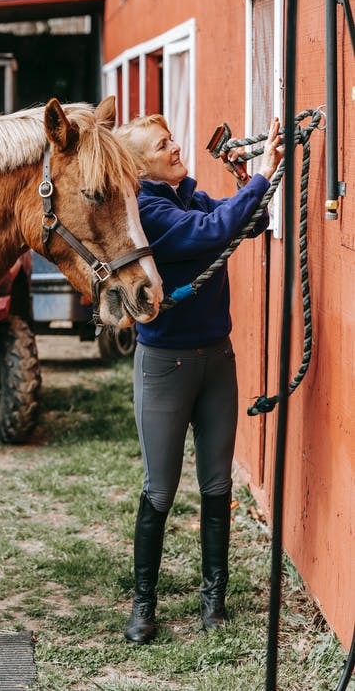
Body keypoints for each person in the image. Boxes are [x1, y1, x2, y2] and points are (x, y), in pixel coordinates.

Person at [115, 114, 284, 644]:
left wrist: (252, 176)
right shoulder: (147, 209)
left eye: (173, 140)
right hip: (166, 365)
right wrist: (259, 180)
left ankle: (214, 600)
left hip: (217, 359)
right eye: (164, 145)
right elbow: (206, 233)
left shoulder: (187, 193)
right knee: (160, 489)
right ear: (141, 166)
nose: (177, 147)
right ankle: (144, 606)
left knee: (216, 484)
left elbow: (245, 223)